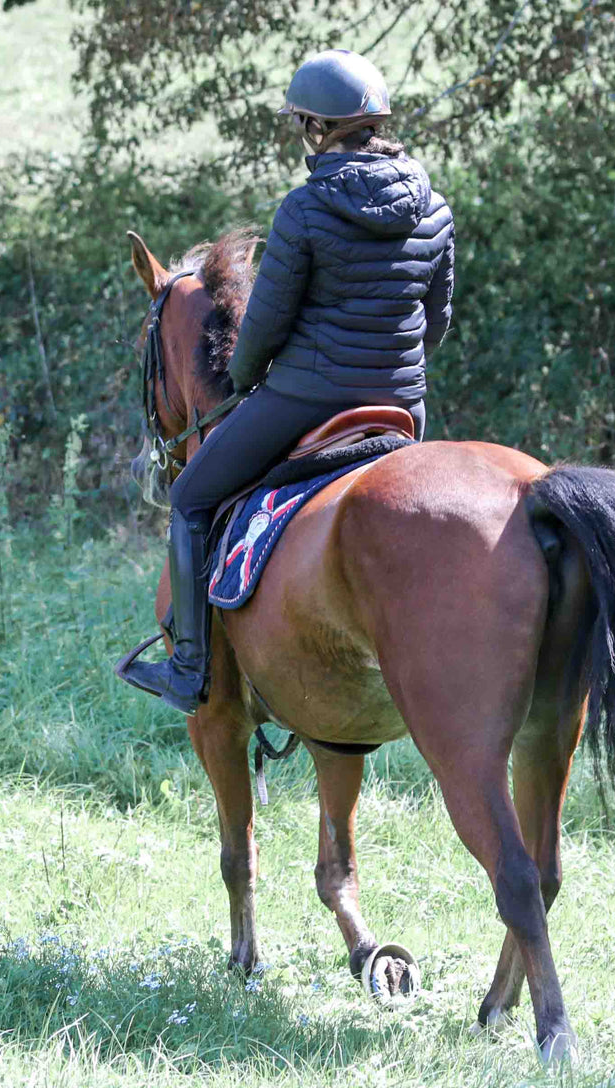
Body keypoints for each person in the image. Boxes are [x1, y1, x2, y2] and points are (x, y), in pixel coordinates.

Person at [120, 48, 456, 715]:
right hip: (401, 410)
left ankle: (189, 666)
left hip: (308, 399)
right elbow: (435, 327)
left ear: (315, 127)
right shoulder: (435, 207)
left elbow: (263, 331)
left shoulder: (304, 210)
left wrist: (243, 380)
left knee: (189, 496)